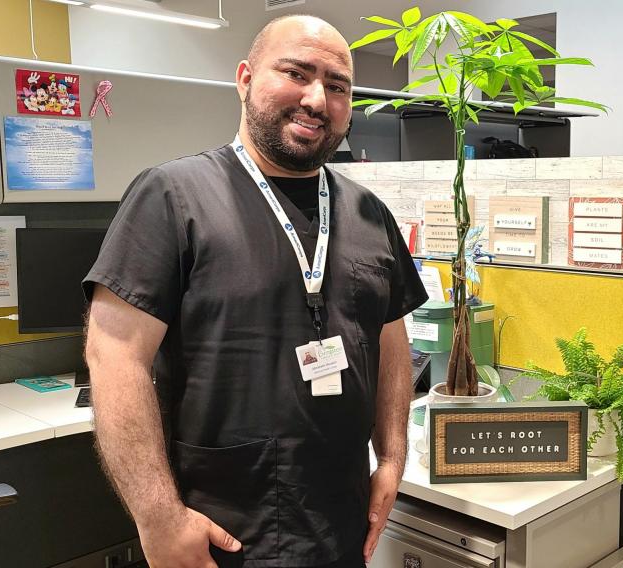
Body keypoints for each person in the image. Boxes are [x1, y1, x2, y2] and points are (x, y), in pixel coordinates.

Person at [83, 14, 427, 568]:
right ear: (244, 78)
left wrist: (391, 455)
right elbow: (113, 353)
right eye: (296, 73)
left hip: (339, 519)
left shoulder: (368, 212)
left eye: (337, 86)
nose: (317, 98)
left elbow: (390, 337)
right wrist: (158, 515)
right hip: (220, 528)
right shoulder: (172, 196)